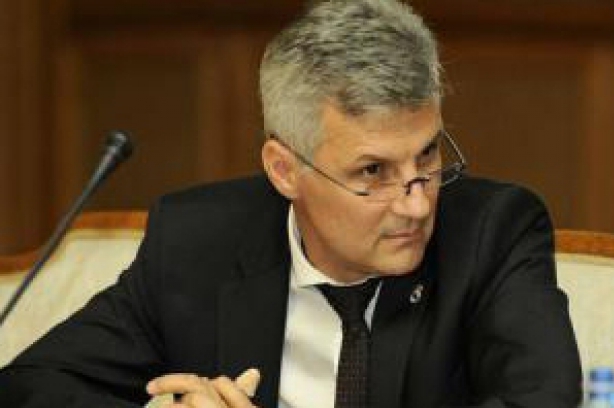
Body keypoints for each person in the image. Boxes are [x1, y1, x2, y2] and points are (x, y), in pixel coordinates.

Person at [0, 0, 582, 407]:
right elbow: (33, 385)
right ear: (285, 169)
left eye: (427, 156)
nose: (416, 204)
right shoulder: (198, 242)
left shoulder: (493, 233)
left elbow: (542, 401)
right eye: (373, 172)